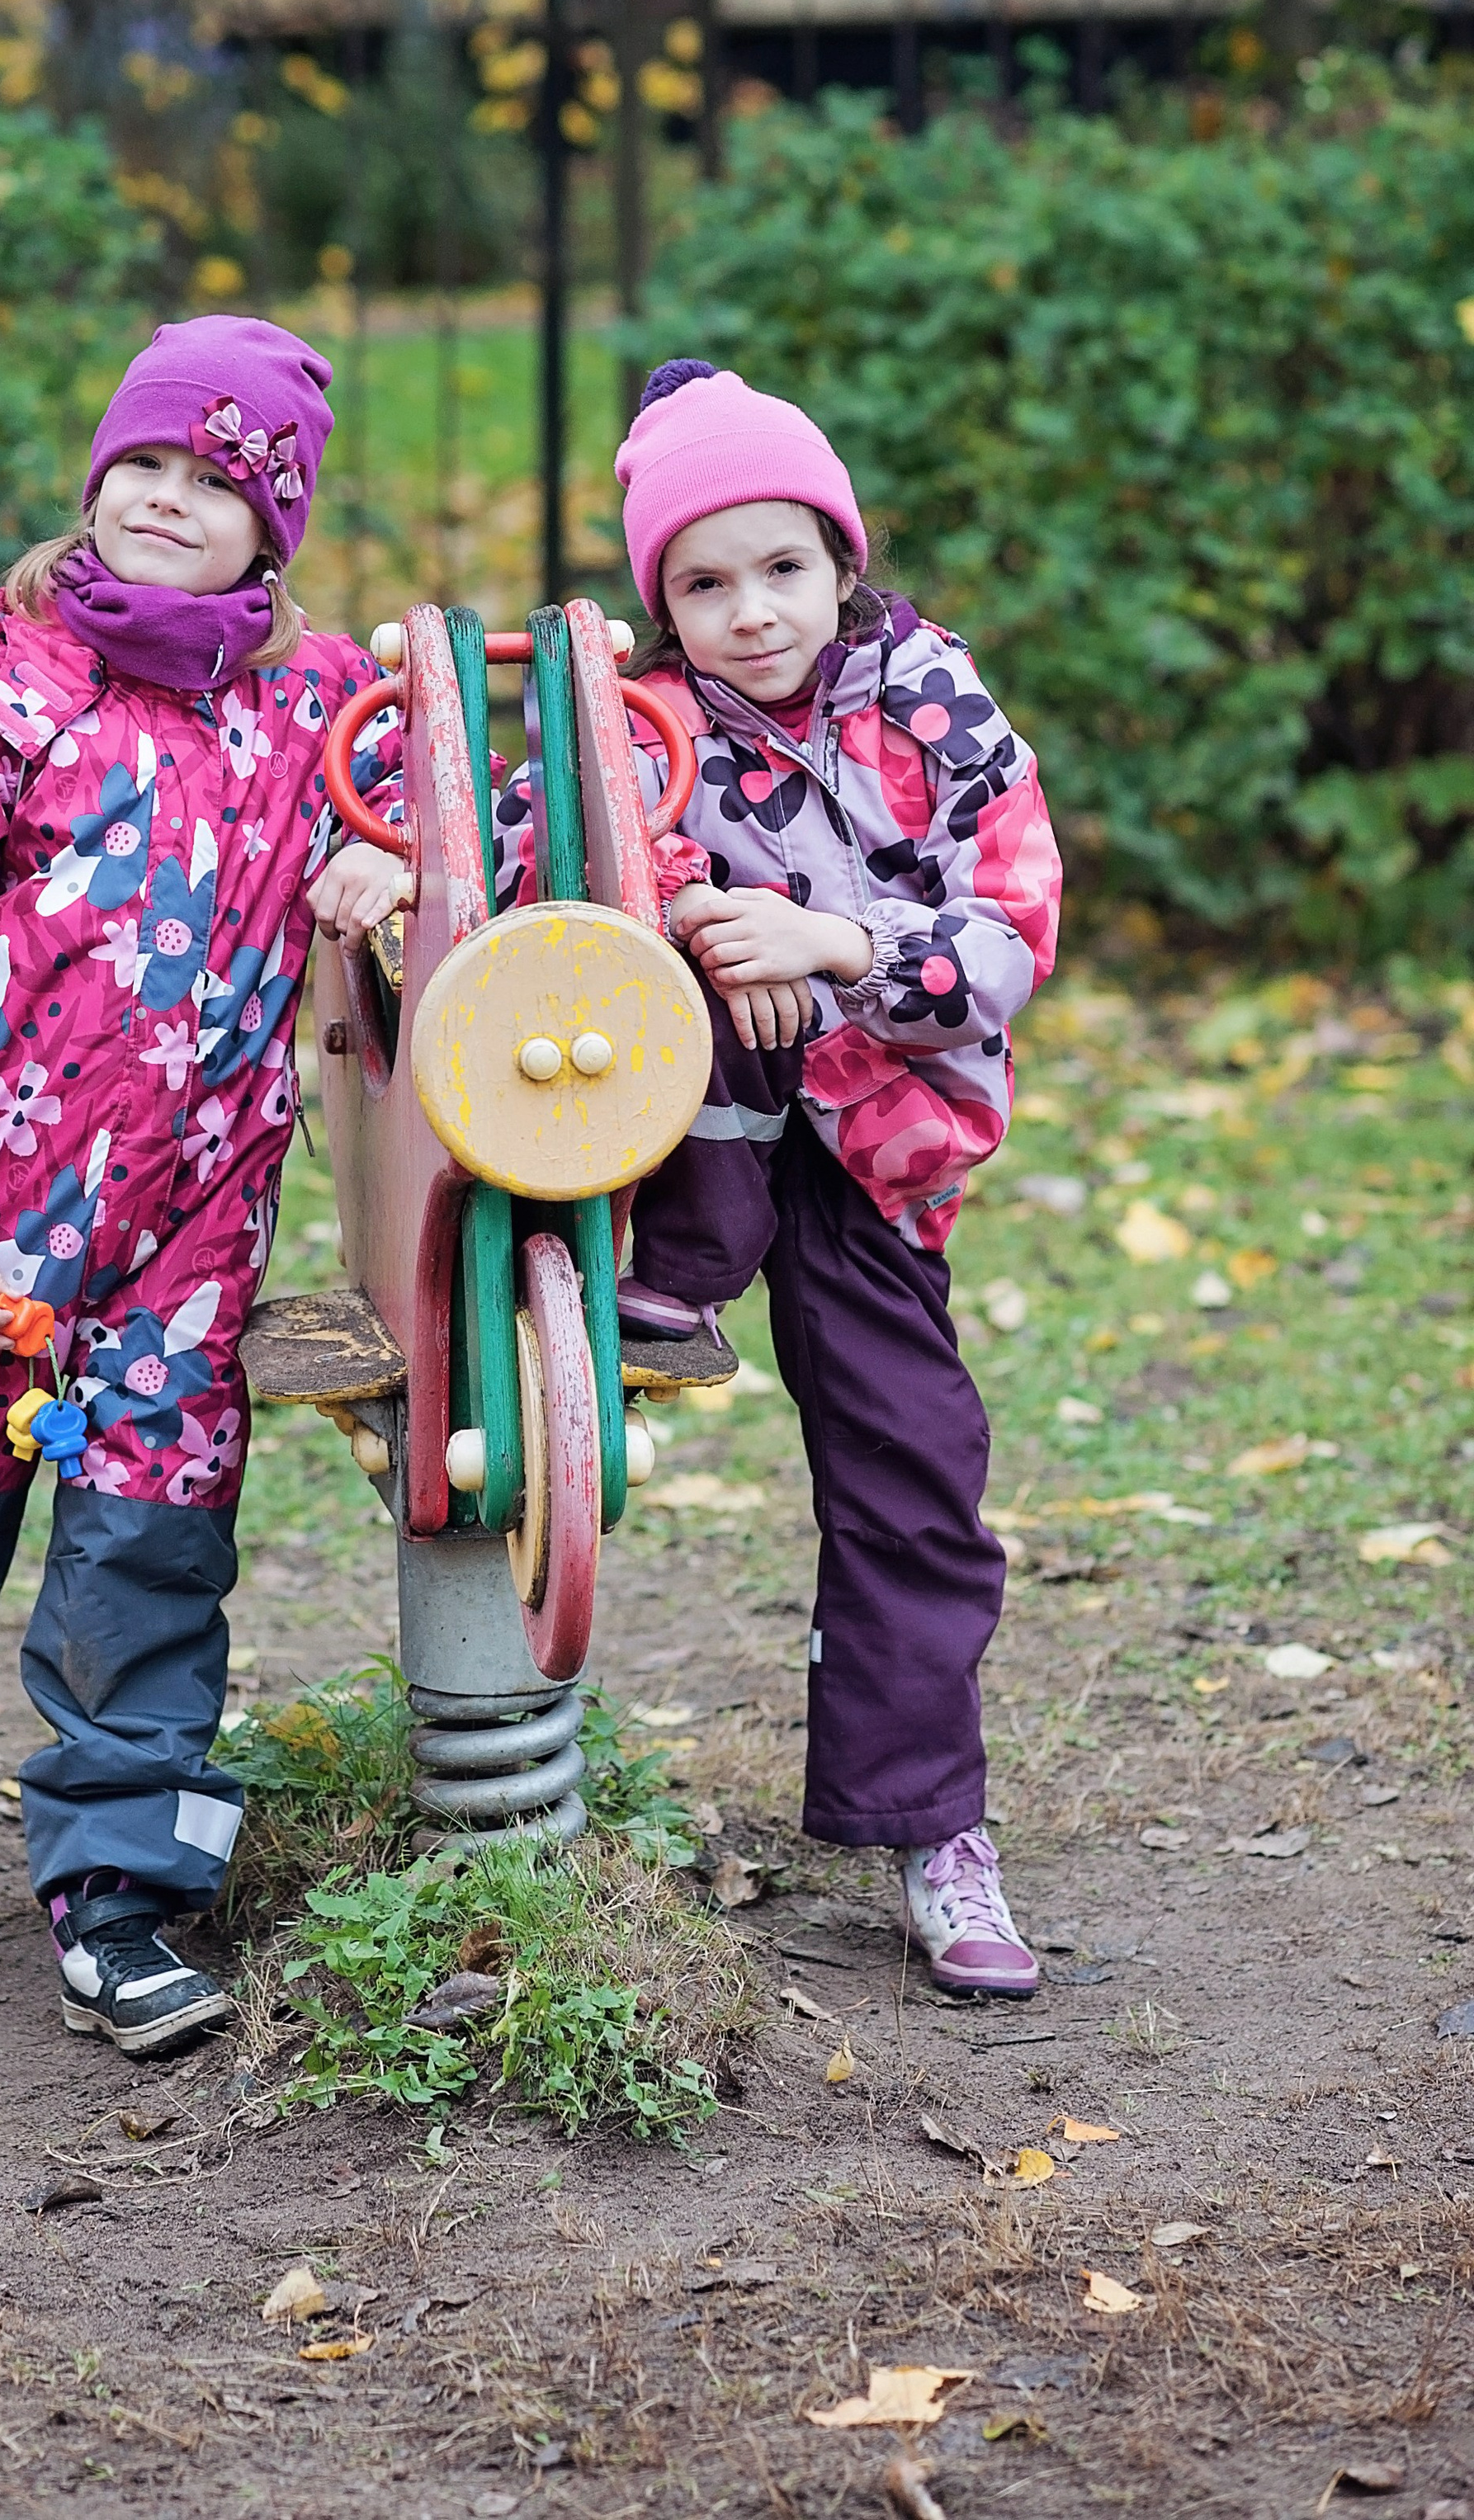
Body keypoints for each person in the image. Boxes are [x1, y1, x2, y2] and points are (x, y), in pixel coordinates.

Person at [0, 314, 406, 2058]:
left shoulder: (321, 708)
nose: (170, 497)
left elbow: (475, 802)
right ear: (99, 476)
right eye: (146, 463)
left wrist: (394, 857)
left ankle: (118, 1898)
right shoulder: (11, 705)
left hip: (187, 1252)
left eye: (217, 480)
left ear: (273, 525)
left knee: (147, 1568)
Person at [506, 356, 1063, 1999]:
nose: (750, 612)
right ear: (660, 599)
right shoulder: (641, 717)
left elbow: (1009, 937)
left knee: (912, 1469)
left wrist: (830, 943)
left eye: (781, 567)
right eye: (703, 583)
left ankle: (932, 1831)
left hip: (881, 1136)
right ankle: (673, 1269)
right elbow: (525, 844)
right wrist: (686, 912)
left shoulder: (932, 703)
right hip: (705, 1117)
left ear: (840, 558)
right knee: (676, 960)